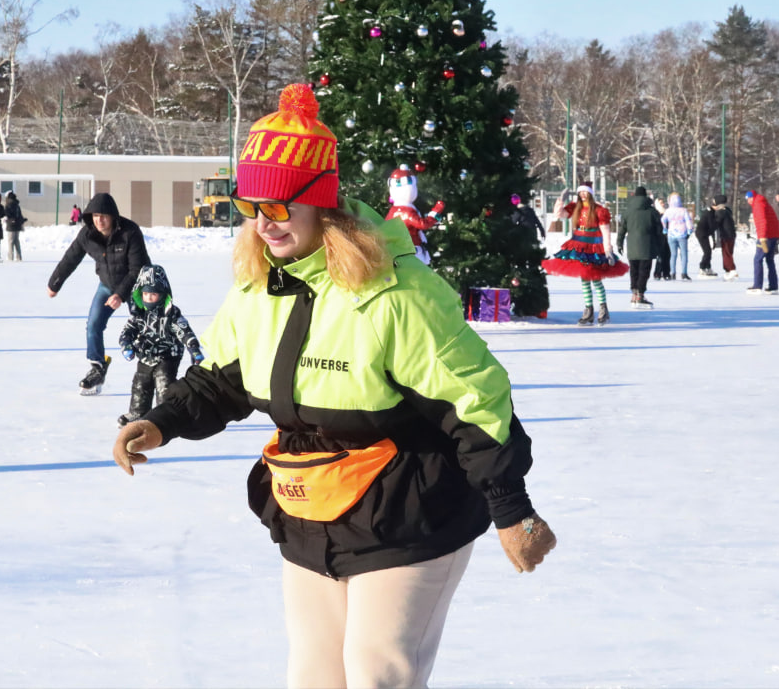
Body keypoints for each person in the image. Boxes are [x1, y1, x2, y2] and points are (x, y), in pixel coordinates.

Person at [112, 84, 555, 689]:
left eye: (277, 207)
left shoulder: (397, 295)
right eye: (250, 206)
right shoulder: (257, 290)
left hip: (410, 515)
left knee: (376, 676)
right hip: (312, 509)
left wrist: (511, 509)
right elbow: (223, 381)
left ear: (320, 203)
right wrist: (161, 420)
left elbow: (474, 401)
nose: (262, 225)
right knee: (316, 679)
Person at [48, 192, 151, 393]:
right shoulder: (87, 235)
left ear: (113, 216)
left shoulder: (130, 232)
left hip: (139, 286)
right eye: (95, 216)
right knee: (93, 325)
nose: (99, 220)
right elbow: (70, 258)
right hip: (107, 285)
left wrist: (121, 295)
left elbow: (137, 268)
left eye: (103, 216)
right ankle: (97, 367)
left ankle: (152, 368)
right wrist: (54, 284)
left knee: (144, 326)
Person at [115, 264, 204, 427]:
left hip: (168, 355)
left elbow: (184, 331)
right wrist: (126, 344)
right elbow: (127, 331)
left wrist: (194, 349)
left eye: (153, 294)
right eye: (145, 294)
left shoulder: (171, 314)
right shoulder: (139, 314)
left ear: (163, 295)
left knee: (164, 384)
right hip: (145, 354)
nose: (148, 298)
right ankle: (138, 412)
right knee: (140, 384)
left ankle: (166, 414)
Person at [545, 184, 629, 325]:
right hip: (579, 246)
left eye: (586, 192)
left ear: (590, 193)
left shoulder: (598, 210)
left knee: (595, 279)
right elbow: (558, 215)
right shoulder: (575, 207)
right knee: (584, 279)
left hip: (594, 248)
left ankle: (603, 308)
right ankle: (588, 310)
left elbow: (605, 231)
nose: (583, 194)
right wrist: (560, 201)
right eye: (581, 192)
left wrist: (607, 249)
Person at [614, 186, 658, 309]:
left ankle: (634, 294)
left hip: (632, 246)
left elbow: (622, 230)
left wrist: (619, 243)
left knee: (634, 271)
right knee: (644, 271)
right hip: (647, 246)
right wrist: (660, 246)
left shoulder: (628, 211)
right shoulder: (652, 212)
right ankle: (641, 295)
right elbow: (659, 230)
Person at [745, 190, 779, 294]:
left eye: (748, 199)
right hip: (773, 234)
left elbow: (762, 221)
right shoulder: (762, 202)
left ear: (752, 198)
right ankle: (773, 287)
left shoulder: (758, 204)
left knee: (757, 259)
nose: (748, 202)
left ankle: (757, 285)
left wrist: (762, 238)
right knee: (770, 260)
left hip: (766, 236)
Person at [660, 192, 695, 282]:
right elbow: (688, 221)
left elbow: (663, 220)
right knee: (683, 254)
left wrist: (665, 229)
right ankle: (684, 273)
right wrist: (689, 230)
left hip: (671, 235)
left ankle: (672, 273)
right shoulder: (683, 210)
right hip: (682, 234)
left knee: (673, 254)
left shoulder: (668, 211)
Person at [712, 195, 739, 280]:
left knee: (726, 253)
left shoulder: (721, 212)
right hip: (731, 234)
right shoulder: (726, 210)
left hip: (726, 235)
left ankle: (731, 269)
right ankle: (728, 270)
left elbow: (716, 222)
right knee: (728, 252)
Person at [693, 200, 718, 277]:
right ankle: (702, 267)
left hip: (705, 233)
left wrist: (714, 240)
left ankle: (708, 267)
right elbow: (712, 226)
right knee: (707, 251)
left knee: (708, 251)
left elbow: (712, 227)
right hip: (701, 233)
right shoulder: (710, 213)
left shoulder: (712, 212)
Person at [652, 197, 671, 280]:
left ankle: (666, 273)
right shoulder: (655, 214)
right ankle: (657, 272)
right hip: (658, 237)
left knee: (667, 254)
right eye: (660, 202)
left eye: (663, 202)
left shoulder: (668, 213)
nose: (663, 204)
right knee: (660, 256)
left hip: (667, 236)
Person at [4, 191, 26, 262]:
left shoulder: (8, 205)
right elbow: (20, 215)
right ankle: (19, 257)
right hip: (17, 225)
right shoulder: (17, 205)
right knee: (16, 241)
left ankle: (10, 257)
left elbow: (7, 215)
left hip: (11, 226)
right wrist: (22, 221)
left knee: (10, 241)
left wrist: (10, 220)